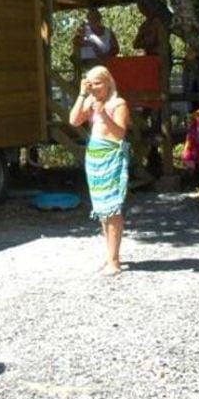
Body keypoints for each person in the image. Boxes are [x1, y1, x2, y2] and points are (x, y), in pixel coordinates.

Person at [69, 65, 130, 276]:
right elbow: (73, 120)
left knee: (112, 208)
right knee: (102, 209)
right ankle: (109, 256)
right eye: (91, 83)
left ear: (108, 83)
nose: (94, 87)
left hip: (111, 155)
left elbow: (120, 133)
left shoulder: (118, 103)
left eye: (98, 83)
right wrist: (81, 94)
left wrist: (103, 113)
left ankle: (114, 261)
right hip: (94, 157)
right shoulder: (90, 101)